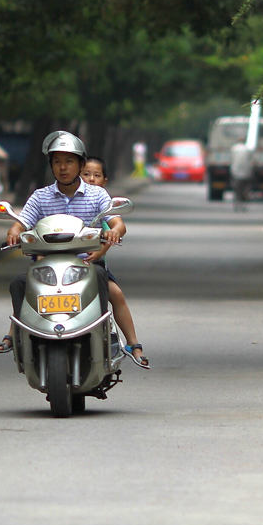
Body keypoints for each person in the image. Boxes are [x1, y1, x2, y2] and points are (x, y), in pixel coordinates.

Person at [0, 132, 147, 366]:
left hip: (88, 264)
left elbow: (118, 223)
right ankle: (19, 334)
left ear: (80, 165)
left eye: (69, 161)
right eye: (57, 162)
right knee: (19, 284)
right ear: (51, 165)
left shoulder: (97, 194)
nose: (63, 167)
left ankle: (116, 339)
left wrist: (114, 231)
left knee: (109, 287)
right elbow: (20, 223)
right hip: (46, 266)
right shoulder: (40, 197)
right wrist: (14, 232)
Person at [79, 156, 148, 367]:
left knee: (116, 294)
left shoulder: (102, 203)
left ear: (104, 181)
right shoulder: (55, 199)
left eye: (96, 175)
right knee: (27, 285)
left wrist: (98, 252)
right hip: (58, 265)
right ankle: (13, 334)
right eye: (86, 174)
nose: (91, 179)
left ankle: (133, 344)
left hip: (90, 265)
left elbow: (115, 229)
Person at [230, 137, 254, 211]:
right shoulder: (247, 149)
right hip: (246, 173)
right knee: (244, 189)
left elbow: (231, 159)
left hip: (235, 172)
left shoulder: (234, 149)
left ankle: (236, 204)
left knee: (237, 190)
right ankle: (243, 204)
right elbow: (251, 160)